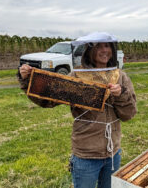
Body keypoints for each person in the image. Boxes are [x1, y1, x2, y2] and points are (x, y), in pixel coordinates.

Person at [17, 34, 137, 188]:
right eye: (98, 46)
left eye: (107, 46)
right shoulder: (78, 75)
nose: (104, 50)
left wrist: (121, 94)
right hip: (86, 154)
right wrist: (28, 79)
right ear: (89, 50)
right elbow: (48, 100)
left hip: (113, 152)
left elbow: (128, 114)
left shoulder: (120, 77)